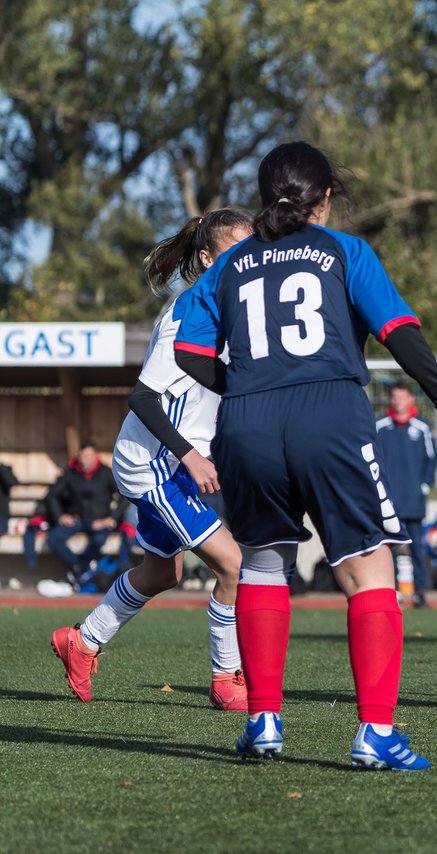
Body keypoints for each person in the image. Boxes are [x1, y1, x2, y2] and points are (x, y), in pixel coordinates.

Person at [174, 141, 437, 771]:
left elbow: (187, 353)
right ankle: (376, 734)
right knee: (368, 569)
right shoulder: (344, 252)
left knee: (263, 561)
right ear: (325, 198)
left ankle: (264, 721)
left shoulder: (227, 266)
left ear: (262, 197)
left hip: (246, 422)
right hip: (329, 414)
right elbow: (399, 333)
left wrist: (245, 387)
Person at [50, 208, 254, 710]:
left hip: (168, 461)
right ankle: (226, 680)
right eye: (235, 253)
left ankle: (82, 641)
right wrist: (191, 457)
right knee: (233, 564)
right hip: (155, 463)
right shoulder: (190, 312)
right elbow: (142, 398)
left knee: (164, 573)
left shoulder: (230, 310)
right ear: (207, 259)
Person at [375, 380, 437, 608]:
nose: (398, 401)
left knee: (416, 547)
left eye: (402, 397)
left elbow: (432, 459)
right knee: (388, 549)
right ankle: (390, 593)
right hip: (388, 502)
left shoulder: (422, 427)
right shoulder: (380, 426)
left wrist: (424, 484)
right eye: (395, 397)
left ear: (410, 399)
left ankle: (420, 593)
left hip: (413, 500)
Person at [44, 441, 126, 579]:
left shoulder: (106, 473)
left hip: (99, 522)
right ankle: (80, 567)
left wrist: (111, 518)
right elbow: (52, 495)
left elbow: (124, 496)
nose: (85, 459)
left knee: (99, 540)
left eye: (88, 455)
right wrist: (60, 516)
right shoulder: (71, 473)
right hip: (78, 520)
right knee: (53, 538)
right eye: (82, 455)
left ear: (96, 456)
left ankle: (80, 570)